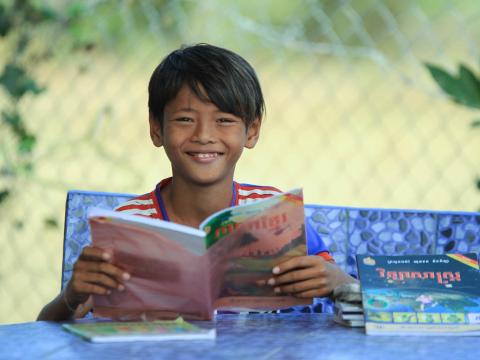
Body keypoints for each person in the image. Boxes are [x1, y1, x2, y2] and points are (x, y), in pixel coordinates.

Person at [37, 44, 356, 321]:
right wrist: (72, 294)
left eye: (224, 120)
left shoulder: (276, 215)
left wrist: (339, 282)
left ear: (252, 130)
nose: (204, 135)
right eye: (185, 119)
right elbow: (51, 329)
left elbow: (341, 298)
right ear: (156, 128)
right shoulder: (127, 227)